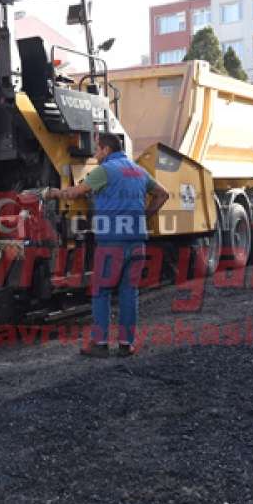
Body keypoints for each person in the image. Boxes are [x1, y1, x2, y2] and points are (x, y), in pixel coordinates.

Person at [47, 133, 169, 358]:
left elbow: (74, 193)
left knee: (101, 291)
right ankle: (126, 344)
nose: (95, 154)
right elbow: (163, 194)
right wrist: (145, 215)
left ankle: (100, 343)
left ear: (106, 149)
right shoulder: (138, 171)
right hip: (137, 241)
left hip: (112, 242)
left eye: (97, 149)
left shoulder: (104, 171)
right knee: (129, 292)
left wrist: (52, 193)